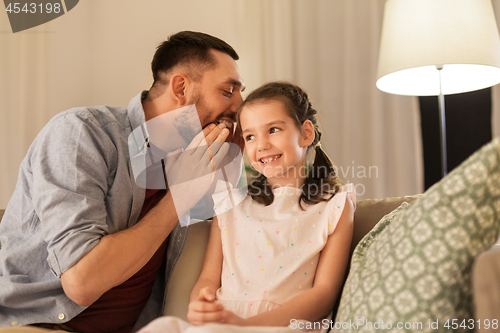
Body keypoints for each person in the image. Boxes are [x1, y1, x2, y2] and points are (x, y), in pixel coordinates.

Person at [0, 31, 245, 332]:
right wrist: (180, 196)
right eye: (227, 91)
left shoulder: (196, 161)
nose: (238, 105)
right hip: (37, 325)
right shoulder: (81, 134)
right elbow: (82, 282)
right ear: (181, 87)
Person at [138, 82, 356, 333]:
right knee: (163, 327)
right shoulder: (231, 203)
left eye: (273, 129)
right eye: (250, 136)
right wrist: (201, 305)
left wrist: (246, 325)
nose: (261, 145)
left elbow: (324, 295)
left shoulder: (335, 205)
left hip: (281, 326)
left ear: (306, 133)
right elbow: (208, 280)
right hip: (224, 323)